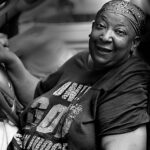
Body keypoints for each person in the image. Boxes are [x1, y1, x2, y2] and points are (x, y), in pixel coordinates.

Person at [0, 0, 150, 149]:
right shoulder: (81, 60)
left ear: (134, 43)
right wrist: (11, 60)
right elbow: (40, 95)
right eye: (101, 26)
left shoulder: (129, 81)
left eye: (120, 32)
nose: (105, 36)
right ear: (92, 28)